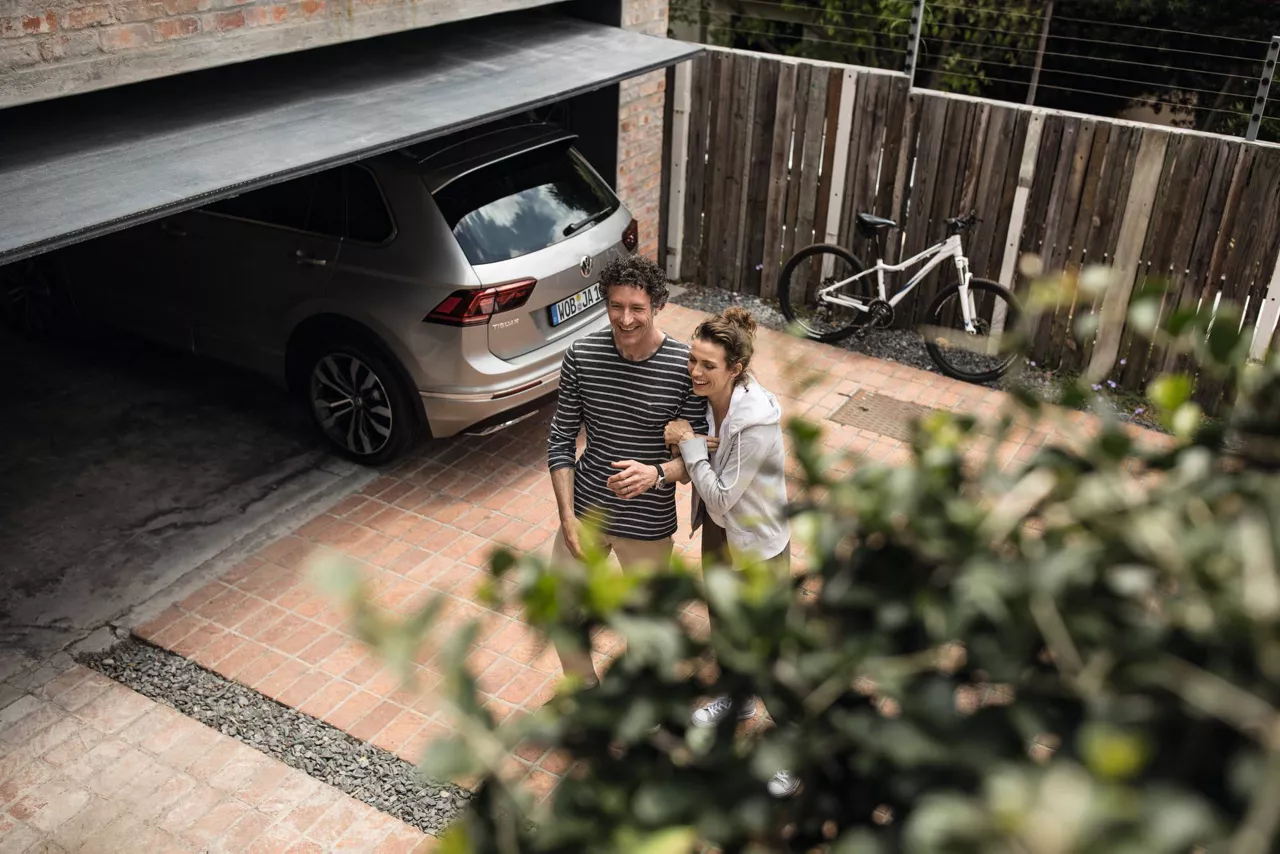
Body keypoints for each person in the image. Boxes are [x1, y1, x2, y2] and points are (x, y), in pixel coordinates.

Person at [546, 254, 707, 688]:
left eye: (637, 308)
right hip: (586, 514)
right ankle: (586, 695)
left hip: (649, 522)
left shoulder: (684, 368)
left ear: (657, 305)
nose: (626, 318)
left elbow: (696, 460)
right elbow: (560, 441)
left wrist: (656, 472)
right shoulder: (582, 355)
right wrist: (566, 520)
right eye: (616, 306)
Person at [664, 307, 796, 797]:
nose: (695, 372)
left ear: (735, 369)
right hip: (721, 534)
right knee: (723, 621)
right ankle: (737, 701)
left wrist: (691, 448)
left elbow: (720, 499)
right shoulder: (703, 396)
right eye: (693, 359)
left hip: (758, 544)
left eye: (707, 365)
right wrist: (683, 438)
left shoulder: (755, 422)